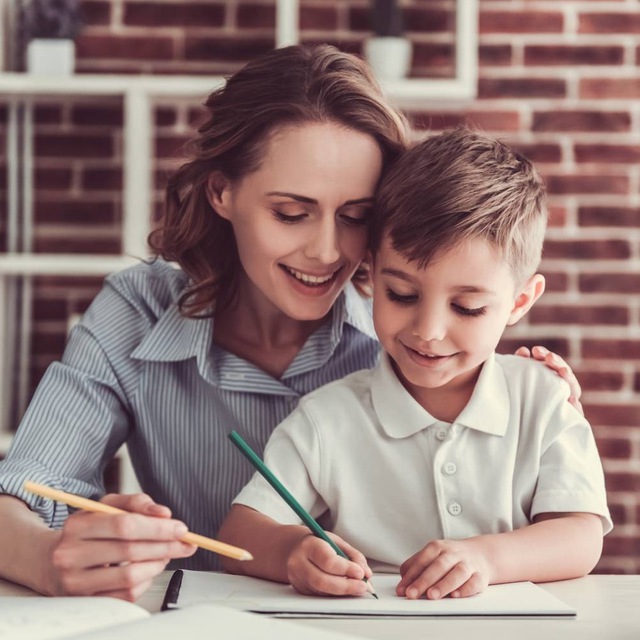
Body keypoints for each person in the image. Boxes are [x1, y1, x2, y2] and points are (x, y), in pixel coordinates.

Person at [0, 44, 580, 602]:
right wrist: (47, 559)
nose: (326, 252)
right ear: (223, 191)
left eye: (355, 217)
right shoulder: (137, 312)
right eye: (291, 213)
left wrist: (521, 382)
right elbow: (23, 491)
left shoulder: (407, 338)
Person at [218, 128, 612, 600]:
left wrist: (487, 558)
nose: (428, 330)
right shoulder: (329, 417)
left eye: (467, 307)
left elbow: (581, 537)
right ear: (371, 272)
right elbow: (238, 533)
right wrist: (292, 552)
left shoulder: (544, 398)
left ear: (520, 301)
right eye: (401, 294)